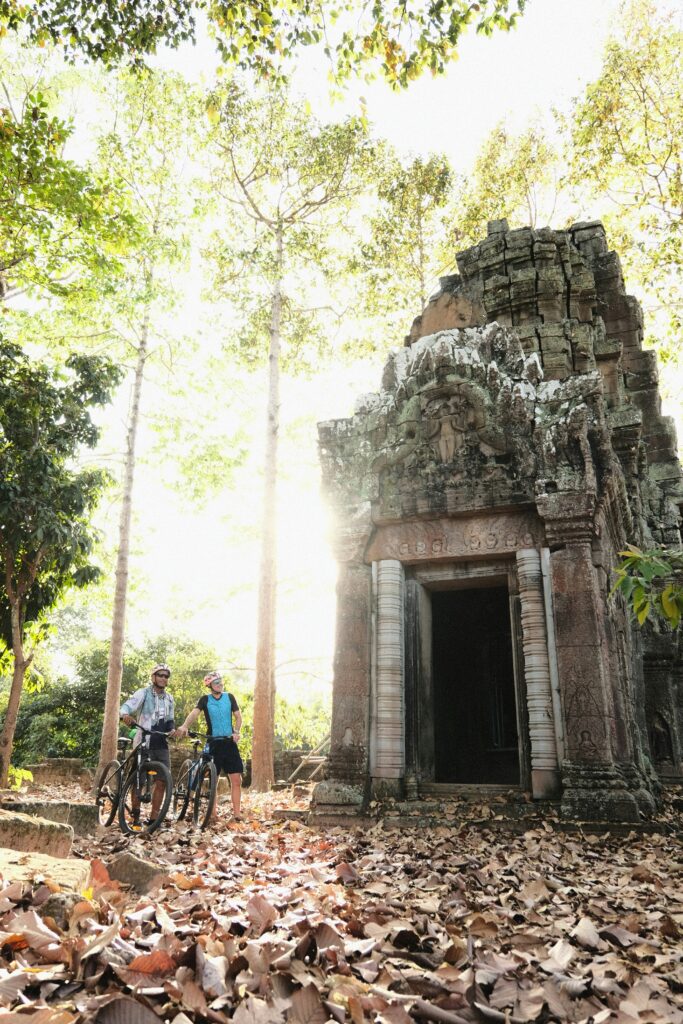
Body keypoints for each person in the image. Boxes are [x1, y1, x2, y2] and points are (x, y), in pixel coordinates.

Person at [176, 671, 244, 822]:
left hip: (229, 742)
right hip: (213, 742)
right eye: (217, 682)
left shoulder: (229, 697)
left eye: (221, 681)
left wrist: (236, 732)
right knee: (214, 779)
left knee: (236, 780)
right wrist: (184, 726)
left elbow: (238, 717)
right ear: (210, 686)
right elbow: (194, 713)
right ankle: (213, 815)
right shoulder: (205, 699)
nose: (220, 684)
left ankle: (237, 814)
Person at [120, 663, 176, 826]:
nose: (163, 678)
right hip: (144, 741)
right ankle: (135, 816)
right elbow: (127, 706)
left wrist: (172, 730)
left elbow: (170, 720)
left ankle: (154, 818)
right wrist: (125, 715)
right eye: (160, 675)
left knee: (162, 781)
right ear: (153, 677)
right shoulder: (143, 693)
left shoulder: (170, 698)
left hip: (161, 742)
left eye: (166, 676)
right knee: (139, 779)